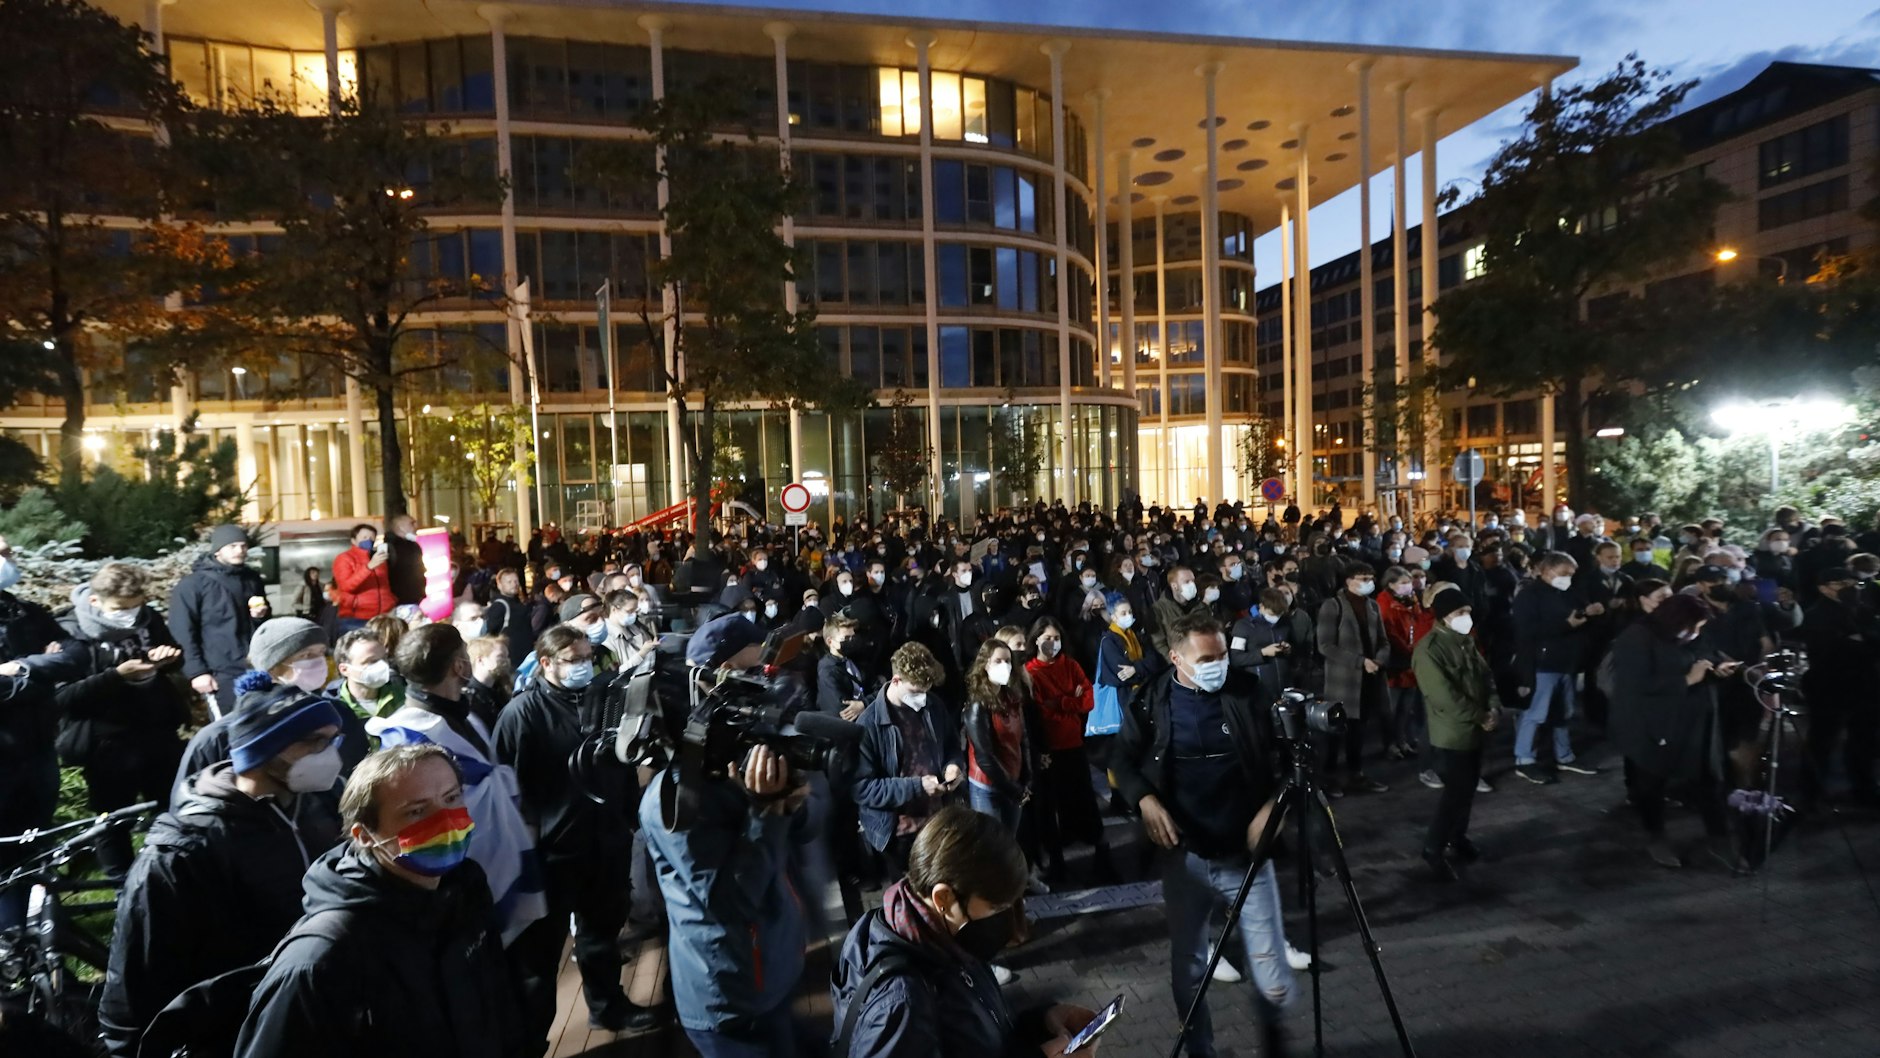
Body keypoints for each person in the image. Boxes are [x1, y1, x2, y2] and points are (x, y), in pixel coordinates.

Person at [233, 744, 529, 1058]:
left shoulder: (464, 887)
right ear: (364, 835)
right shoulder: (322, 958)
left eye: (451, 798)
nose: (445, 819)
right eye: (416, 811)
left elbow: (496, 998)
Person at [100, 682, 345, 1058]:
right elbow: (132, 992)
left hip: (322, 1014)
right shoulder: (180, 855)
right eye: (314, 741)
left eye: (332, 739)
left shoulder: (323, 805)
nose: (329, 753)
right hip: (237, 1035)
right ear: (264, 748)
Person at [1110, 609, 1293, 1058]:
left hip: (1248, 858)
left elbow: (1291, 760)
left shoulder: (1249, 692)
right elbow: (1121, 760)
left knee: (1271, 971)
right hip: (1186, 859)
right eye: (1207, 659)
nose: (1219, 666)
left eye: (1222, 655)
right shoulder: (1152, 701)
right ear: (1176, 658)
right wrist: (1144, 799)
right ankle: (1199, 1051)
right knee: (1190, 969)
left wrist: (1275, 806)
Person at [829, 805, 1102, 1058]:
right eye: (996, 907)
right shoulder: (900, 1004)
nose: (1006, 921)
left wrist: (1043, 1021)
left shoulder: (940, 937)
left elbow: (976, 1033)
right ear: (944, 898)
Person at [497, 624, 660, 1039]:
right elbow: (507, 786)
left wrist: (627, 818)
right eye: (574, 660)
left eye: (588, 658)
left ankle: (607, 1008)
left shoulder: (603, 700)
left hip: (605, 841)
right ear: (547, 662)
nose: (584, 666)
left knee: (601, 936)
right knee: (541, 953)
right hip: (553, 852)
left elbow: (622, 758)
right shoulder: (522, 713)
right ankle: (528, 1037)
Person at [368, 624, 547, 946]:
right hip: (457, 877)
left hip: (496, 854)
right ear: (460, 666)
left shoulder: (464, 714)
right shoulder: (407, 737)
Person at [643, 731, 814, 1054]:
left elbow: (794, 839)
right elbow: (732, 902)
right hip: (733, 1001)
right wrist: (765, 812)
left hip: (769, 973)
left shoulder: (723, 771)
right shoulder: (676, 799)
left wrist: (787, 804)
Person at [52, 562, 191, 878]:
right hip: (106, 740)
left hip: (157, 729)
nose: (130, 615)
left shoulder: (148, 618)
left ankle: (169, 877)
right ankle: (121, 883)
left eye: (135, 606)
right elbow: (62, 696)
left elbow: (172, 654)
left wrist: (168, 658)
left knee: (171, 809)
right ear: (95, 601)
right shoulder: (70, 630)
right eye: (120, 608)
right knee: (112, 818)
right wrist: (116, 676)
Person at [1608, 594, 1746, 870]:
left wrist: (1716, 668)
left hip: (1697, 720)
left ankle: (1720, 840)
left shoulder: (1692, 634)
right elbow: (1633, 685)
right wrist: (1686, 679)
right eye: (1693, 627)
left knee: (1710, 780)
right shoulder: (1637, 637)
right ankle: (1656, 837)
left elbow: (1705, 654)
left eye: (1700, 627)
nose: (1696, 632)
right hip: (1654, 723)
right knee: (1652, 782)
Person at [170, 617, 369, 805]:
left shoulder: (337, 714)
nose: (318, 662)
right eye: (306, 655)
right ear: (272, 667)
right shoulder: (218, 737)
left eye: (321, 653)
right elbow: (188, 804)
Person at [852, 642, 963, 876]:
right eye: (915, 692)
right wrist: (917, 786)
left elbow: (951, 745)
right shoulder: (869, 725)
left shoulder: (933, 705)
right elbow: (862, 789)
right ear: (896, 680)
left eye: (925, 691)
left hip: (937, 824)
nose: (922, 698)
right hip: (900, 836)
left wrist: (953, 765)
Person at [1412, 589, 1500, 882]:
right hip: (1451, 733)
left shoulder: (1465, 641)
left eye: (1468, 612)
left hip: (1474, 728)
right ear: (1444, 616)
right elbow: (1444, 697)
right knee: (1455, 794)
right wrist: (1480, 716)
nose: (1466, 618)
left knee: (1467, 788)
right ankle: (1433, 847)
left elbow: (1486, 677)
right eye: (1460, 613)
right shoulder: (1429, 649)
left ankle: (1457, 837)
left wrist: (1493, 707)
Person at [1023, 616, 1114, 884]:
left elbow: (1087, 700)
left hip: (1073, 744)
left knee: (1085, 801)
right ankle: (1058, 863)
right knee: (1051, 806)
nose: (1052, 643)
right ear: (1036, 639)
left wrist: (1061, 703)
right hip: (1049, 749)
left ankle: (1102, 857)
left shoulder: (1071, 665)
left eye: (1056, 638)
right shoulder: (1031, 672)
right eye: (1047, 638)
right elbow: (1040, 711)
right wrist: (1069, 702)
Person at [1509, 553, 1601, 785]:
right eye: (1563, 573)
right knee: (1535, 713)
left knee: (1564, 712)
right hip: (1543, 663)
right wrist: (1566, 625)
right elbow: (1526, 631)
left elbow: (1577, 616)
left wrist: (1588, 613)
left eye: (1571, 574)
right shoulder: (1529, 595)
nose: (1568, 578)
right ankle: (1524, 759)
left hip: (1568, 662)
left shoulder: (1570, 592)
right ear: (1546, 571)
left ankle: (1564, 755)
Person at [169, 523, 271, 715]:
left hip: (255, 666)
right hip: (219, 673)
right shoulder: (193, 585)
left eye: (243, 546)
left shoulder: (251, 579)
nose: (239, 551)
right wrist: (197, 672)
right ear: (217, 550)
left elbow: (264, 624)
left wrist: (260, 617)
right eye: (232, 546)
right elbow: (182, 631)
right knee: (228, 726)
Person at [1800, 567, 1879, 809]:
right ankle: (1811, 793)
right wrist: (1861, 642)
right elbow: (1833, 650)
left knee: (1864, 739)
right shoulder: (1817, 614)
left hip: (1865, 684)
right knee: (1823, 740)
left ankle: (1863, 788)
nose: (1850, 587)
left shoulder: (1862, 609)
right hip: (1829, 687)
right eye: (1841, 583)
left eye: (1852, 582)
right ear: (1824, 588)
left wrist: (1861, 641)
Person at [1315, 563, 1390, 795]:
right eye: (1363, 578)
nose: (1369, 582)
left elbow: (1383, 641)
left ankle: (1356, 774)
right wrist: (1360, 661)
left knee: (1358, 731)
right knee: (1335, 731)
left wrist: (1378, 660)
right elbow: (1325, 645)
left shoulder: (1372, 605)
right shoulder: (1333, 605)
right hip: (1343, 680)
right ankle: (1328, 777)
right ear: (1349, 581)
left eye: (1371, 578)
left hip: (1369, 677)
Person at [330, 523, 395, 632]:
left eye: (372, 537)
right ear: (353, 540)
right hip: (356, 618)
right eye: (364, 537)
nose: (368, 540)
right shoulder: (344, 558)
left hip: (383, 616)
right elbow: (347, 586)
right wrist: (369, 567)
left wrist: (391, 601)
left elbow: (385, 585)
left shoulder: (379, 558)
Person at [330, 627, 403, 721]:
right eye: (371, 661)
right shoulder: (333, 708)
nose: (382, 665)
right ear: (344, 669)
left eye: (384, 658)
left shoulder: (402, 698)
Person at [384, 512, 427, 607]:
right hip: (400, 599)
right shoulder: (389, 548)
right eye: (412, 523)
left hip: (414, 596)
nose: (416, 526)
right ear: (400, 527)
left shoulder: (413, 545)